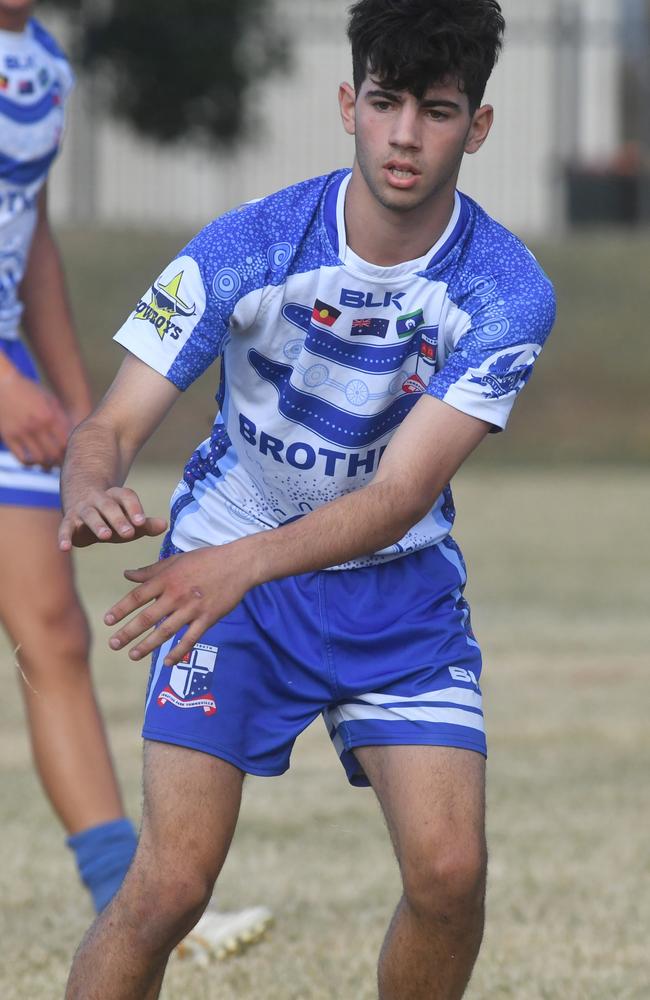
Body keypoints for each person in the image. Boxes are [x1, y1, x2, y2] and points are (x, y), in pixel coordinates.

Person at [59, 0, 556, 996]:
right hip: (230, 575)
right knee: (168, 888)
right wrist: (89, 484)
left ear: (478, 126)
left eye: (436, 109)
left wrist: (230, 568)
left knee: (449, 874)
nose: (405, 135)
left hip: (388, 589)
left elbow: (399, 493)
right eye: (385, 103)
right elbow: (108, 425)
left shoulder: (505, 291)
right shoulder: (248, 245)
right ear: (347, 103)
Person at [0, 0, 270, 962]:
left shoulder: (41, 60)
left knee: (54, 635)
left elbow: (26, 241)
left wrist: (78, 409)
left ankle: (128, 899)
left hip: (11, 381)